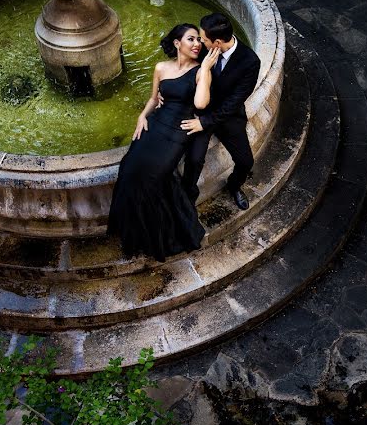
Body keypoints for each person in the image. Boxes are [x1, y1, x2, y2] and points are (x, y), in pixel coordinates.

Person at [106, 24, 220, 261]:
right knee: (128, 169)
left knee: (153, 179)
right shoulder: (161, 67)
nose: (197, 43)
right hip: (156, 123)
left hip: (178, 131)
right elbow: (153, 98)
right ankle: (133, 232)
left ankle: (158, 236)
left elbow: (200, 104)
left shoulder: (200, 70)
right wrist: (141, 116)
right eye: (191, 39)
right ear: (177, 43)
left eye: (199, 39)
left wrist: (207, 69)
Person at [180, 13, 261, 210]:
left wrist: (205, 122)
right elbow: (182, 64)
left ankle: (234, 186)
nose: (199, 42)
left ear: (216, 42)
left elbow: (234, 102)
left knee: (245, 162)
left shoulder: (250, 62)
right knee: (194, 159)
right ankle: (185, 199)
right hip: (198, 108)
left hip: (226, 117)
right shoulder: (202, 49)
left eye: (203, 39)